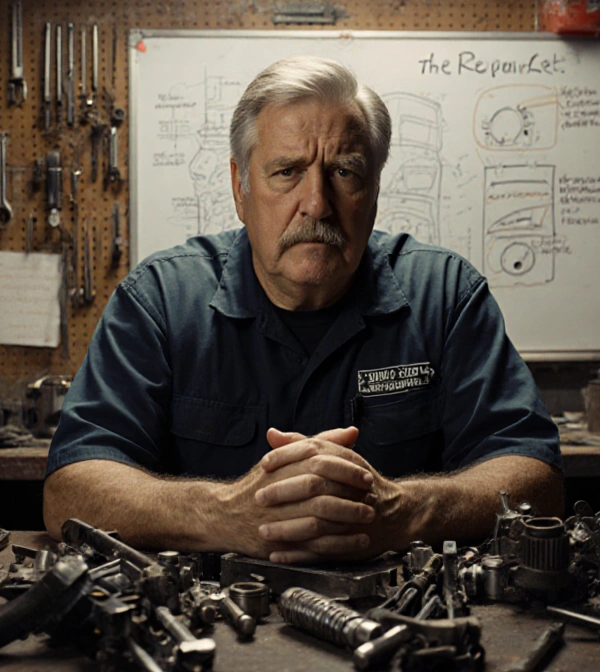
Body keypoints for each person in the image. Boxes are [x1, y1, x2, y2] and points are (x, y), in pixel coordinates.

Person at [43, 56, 561, 564]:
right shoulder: (160, 301)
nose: (316, 203)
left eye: (344, 171)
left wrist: (402, 511)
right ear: (240, 187)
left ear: (375, 190)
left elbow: (535, 478)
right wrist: (225, 513)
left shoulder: (446, 296)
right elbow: (72, 490)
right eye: (287, 172)